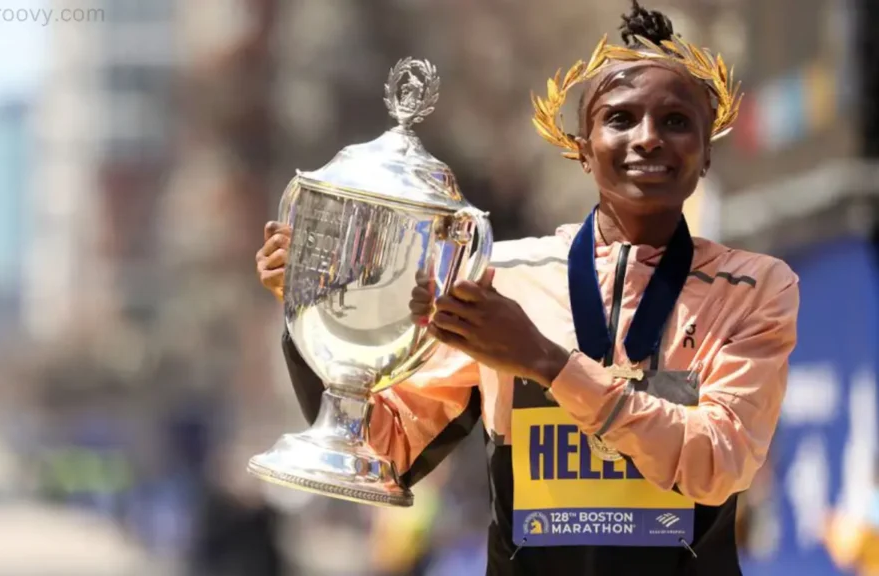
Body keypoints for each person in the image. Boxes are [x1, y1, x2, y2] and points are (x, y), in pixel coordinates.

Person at [254, 2, 799, 574]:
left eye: (676, 121)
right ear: (582, 149)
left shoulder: (755, 288)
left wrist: (543, 361)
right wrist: (319, 317)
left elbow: (718, 460)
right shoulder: (500, 275)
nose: (648, 139)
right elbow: (386, 448)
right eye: (619, 119)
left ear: (708, 150)